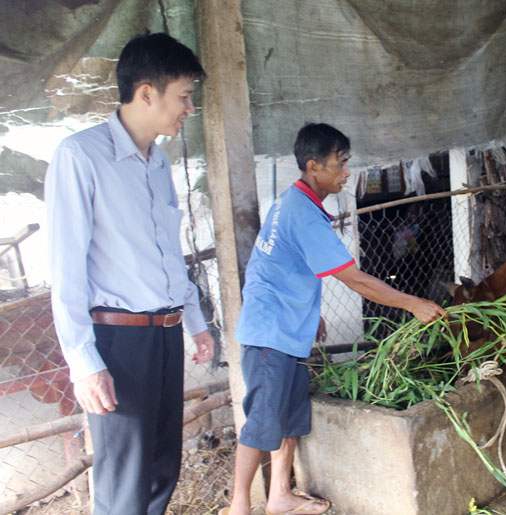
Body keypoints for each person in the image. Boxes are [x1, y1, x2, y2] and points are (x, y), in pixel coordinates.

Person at [226, 123, 446, 515]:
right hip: (269, 334)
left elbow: (283, 264)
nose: (347, 171)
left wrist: (314, 312)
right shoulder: (304, 214)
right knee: (261, 424)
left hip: (287, 328)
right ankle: (239, 505)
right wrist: (412, 303)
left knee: (290, 419)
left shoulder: (292, 202)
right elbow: (355, 279)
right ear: (314, 166)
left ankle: (279, 495)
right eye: (340, 163)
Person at [45, 33, 215, 515]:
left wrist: (195, 322)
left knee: (163, 468)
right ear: (146, 93)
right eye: (183, 95)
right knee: (125, 482)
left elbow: (166, 253)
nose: (190, 107)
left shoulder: (157, 162)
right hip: (116, 342)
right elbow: (66, 268)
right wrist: (84, 362)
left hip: (162, 337)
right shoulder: (80, 156)